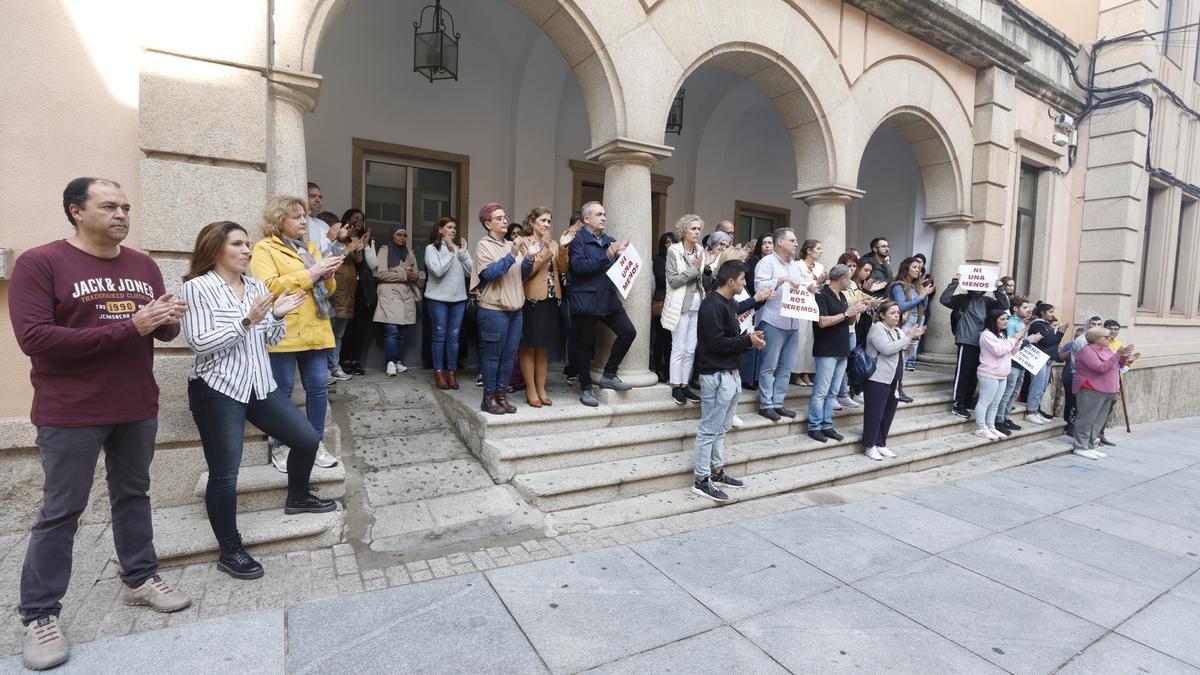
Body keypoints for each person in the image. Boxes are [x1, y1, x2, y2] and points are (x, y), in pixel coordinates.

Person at [9, 177, 193, 670]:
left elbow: (164, 330)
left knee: (133, 496)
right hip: (71, 411)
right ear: (75, 211)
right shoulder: (40, 263)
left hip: (136, 404)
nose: (121, 215)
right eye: (108, 206)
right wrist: (129, 327)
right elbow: (36, 338)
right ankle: (40, 614)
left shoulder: (142, 264)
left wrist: (168, 316)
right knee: (61, 511)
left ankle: (139, 577)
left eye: (125, 207)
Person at [181, 221, 336, 581]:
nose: (247, 250)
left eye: (248, 244)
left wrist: (276, 315)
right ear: (215, 248)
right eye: (238, 244)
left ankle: (297, 496)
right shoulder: (196, 289)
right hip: (217, 388)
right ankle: (230, 550)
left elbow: (269, 338)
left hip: (258, 384)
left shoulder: (255, 286)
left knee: (307, 438)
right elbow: (201, 343)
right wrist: (248, 319)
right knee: (225, 475)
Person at [251, 196, 342, 474]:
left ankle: (315, 444)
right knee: (283, 392)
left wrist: (327, 275)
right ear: (280, 221)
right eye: (296, 216)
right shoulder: (264, 248)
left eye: (304, 215)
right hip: (284, 330)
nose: (304, 220)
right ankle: (281, 446)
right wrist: (311, 273)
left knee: (317, 389)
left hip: (316, 327)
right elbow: (266, 287)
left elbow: (328, 291)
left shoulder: (311, 247)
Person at [691, 260, 765, 502]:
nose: (745, 283)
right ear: (731, 281)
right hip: (715, 375)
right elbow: (714, 343)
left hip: (731, 373)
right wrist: (747, 342)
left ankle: (716, 471)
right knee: (709, 429)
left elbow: (731, 338)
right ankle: (701, 480)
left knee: (721, 429)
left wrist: (749, 337)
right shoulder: (711, 305)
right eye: (743, 279)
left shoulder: (729, 302)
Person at [567, 201, 636, 407]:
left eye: (604, 214)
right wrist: (607, 255)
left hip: (607, 299)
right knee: (585, 347)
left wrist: (625, 259)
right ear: (586, 219)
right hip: (586, 300)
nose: (604, 218)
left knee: (628, 332)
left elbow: (616, 269)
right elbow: (578, 267)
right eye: (599, 214)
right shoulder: (576, 240)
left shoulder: (609, 240)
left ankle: (609, 374)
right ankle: (586, 387)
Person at [471, 202, 525, 415]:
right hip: (493, 309)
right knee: (493, 356)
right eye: (499, 218)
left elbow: (523, 274)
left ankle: (502, 397)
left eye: (505, 217)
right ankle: (489, 398)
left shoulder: (510, 245)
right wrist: (511, 256)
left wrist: (530, 258)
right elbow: (489, 274)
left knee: (509, 355)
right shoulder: (483, 245)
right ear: (487, 223)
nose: (505, 220)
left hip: (515, 309)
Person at [518, 207, 573, 407]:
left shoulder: (554, 243)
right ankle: (530, 390)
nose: (547, 225)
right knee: (528, 346)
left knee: (543, 348)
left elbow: (564, 268)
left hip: (551, 299)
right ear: (532, 222)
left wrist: (564, 248)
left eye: (549, 221)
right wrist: (545, 250)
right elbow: (528, 271)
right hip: (531, 300)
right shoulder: (523, 242)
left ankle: (541, 389)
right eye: (543, 220)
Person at [663, 215, 720, 405]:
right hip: (680, 305)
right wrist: (695, 270)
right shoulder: (674, 251)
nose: (697, 232)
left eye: (698, 229)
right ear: (683, 231)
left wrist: (706, 271)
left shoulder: (702, 251)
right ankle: (675, 387)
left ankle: (685, 385)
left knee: (690, 350)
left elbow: (705, 283)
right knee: (678, 348)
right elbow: (673, 280)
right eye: (693, 229)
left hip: (698, 305)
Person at [808, 265, 868, 443]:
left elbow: (846, 319)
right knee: (821, 391)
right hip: (826, 350)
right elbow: (822, 322)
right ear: (842, 278)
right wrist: (845, 313)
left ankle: (827, 425)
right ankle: (814, 426)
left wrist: (855, 311)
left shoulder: (841, 296)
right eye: (849, 277)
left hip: (842, 349)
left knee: (832, 392)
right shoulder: (822, 295)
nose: (850, 281)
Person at [754, 227, 810, 421]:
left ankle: (778, 403)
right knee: (769, 365)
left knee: (786, 367)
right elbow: (759, 288)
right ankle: (765, 404)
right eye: (792, 240)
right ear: (780, 242)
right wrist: (782, 279)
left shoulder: (794, 265)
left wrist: (810, 287)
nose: (796, 244)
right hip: (772, 319)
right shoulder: (766, 262)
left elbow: (800, 286)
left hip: (793, 322)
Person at [939, 271, 1010, 418]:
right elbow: (944, 299)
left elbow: (1004, 305)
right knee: (963, 374)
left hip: (982, 343)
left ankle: (969, 401)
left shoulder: (988, 302)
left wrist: (999, 288)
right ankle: (958, 404)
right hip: (966, 340)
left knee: (974, 375)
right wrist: (955, 282)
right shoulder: (961, 299)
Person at [862, 301, 925, 460]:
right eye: (892, 313)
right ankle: (870, 445)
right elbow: (886, 349)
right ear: (882, 315)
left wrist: (914, 340)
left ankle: (881, 444)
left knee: (888, 413)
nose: (896, 315)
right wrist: (908, 337)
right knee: (874, 413)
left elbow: (908, 353)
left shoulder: (898, 331)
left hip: (895, 379)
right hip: (877, 378)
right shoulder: (877, 328)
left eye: (898, 312)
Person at [1071, 327, 1136, 459]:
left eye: (1109, 337)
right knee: (1086, 419)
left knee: (1098, 421)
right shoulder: (1086, 351)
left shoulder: (1106, 349)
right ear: (1095, 338)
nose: (1109, 338)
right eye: (1105, 337)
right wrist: (1117, 355)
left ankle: (1089, 446)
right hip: (1091, 388)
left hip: (1108, 389)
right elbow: (1100, 368)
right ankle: (1080, 446)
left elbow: (1117, 365)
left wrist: (1124, 357)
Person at [424, 217, 471, 390]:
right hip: (438, 300)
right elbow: (436, 271)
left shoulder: (459, 249)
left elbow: (471, 272)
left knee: (454, 338)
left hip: (458, 299)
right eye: (449, 227)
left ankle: (452, 373)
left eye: (455, 228)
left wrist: (463, 254)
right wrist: (451, 253)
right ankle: (438, 372)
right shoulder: (431, 249)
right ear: (440, 230)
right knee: (439, 336)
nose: (453, 230)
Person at [324, 212, 367, 383]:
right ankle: (329, 368)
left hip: (348, 291)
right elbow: (337, 259)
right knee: (329, 332)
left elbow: (358, 260)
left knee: (339, 333)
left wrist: (359, 248)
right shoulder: (331, 244)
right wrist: (349, 247)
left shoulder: (348, 241)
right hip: (336, 290)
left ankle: (334, 366)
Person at [374, 225, 421, 376]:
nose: (402, 238)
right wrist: (403, 275)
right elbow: (380, 274)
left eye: (404, 235)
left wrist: (414, 275)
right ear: (393, 236)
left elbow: (415, 272)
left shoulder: (410, 253)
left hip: (407, 295)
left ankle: (398, 362)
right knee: (391, 331)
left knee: (403, 331)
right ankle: (390, 362)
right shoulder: (385, 250)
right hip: (390, 295)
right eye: (399, 235)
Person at [994, 296, 1043, 435]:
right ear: (1015, 309)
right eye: (1025, 307)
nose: (1028, 310)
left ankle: (1005, 417)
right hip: (1013, 362)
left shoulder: (1021, 322)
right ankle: (999, 420)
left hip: (1021, 362)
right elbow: (1011, 342)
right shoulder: (1011, 323)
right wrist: (1030, 340)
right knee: (1007, 392)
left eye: (1028, 307)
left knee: (1014, 392)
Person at [975, 309, 1027, 440]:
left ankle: (991, 426)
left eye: (1006, 319)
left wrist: (1018, 340)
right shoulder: (987, 335)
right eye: (1002, 319)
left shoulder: (1002, 335)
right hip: (989, 374)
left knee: (995, 403)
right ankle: (981, 428)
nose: (1006, 322)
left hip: (1002, 375)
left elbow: (1012, 351)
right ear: (994, 321)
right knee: (985, 402)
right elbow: (999, 351)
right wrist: (1014, 339)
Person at [337, 209, 376, 376]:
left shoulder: (368, 240)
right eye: (354, 219)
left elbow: (371, 264)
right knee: (346, 325)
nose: (358, 222)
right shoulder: (341, 237)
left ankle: (356, 360)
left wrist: (364, 246)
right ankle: (344, 360)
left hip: (362, 288)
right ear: (346, 219)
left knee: (360, 325)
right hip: (345, 286)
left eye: (361, 219)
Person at [890, 256, 934, 401]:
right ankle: (896, 389)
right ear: (906, 268)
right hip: (905, 323)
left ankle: (899, 387)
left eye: (919, 268)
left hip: (916, 323)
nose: (918, 270)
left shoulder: (917, 286)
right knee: (900, 358)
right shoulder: (899, 286)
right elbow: (900, 307)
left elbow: (923, 307)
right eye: (914, 267)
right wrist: (920, 297)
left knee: (907, 357)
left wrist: (924, 294)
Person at [833, 252, 872, 410]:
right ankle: (834, 396)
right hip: (841, 329)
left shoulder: (854, 284)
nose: (852, 269)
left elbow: (860, 297)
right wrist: (860, 302)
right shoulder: (840, 284)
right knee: (837, 365)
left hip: (852, 328)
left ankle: (843, 394)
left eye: (854, 266)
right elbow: (848, 303)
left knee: (847, 364)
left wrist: (870, 301)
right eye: (849, 266)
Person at [739, 234, 773, 391]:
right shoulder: (753, 261)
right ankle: (747, 377)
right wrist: (757, 298)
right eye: (764, 243)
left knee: (761, 341)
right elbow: (752, 284)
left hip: (769, 304)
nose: (767, 245)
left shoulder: (776, 262)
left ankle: (757, 377)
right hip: (754, 302)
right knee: (749, 338)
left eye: (770, 243)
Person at [1021, 301, 1064, 425]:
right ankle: (1030, 411)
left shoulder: (1045, 324)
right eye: (1050, 312)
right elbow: (1048, 341)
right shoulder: (1037, 325)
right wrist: (1060, 332)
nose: (1052, 314)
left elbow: (1053, 341)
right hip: (1038, 358)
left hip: (1046, 359)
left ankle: (1036, 410)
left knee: (1043, 387)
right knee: (1037, 385)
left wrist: (1056, 335)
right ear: (1042, 312)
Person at [791, 239, 826, 387]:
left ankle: (806, 371)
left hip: (814, 305)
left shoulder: (819, 266)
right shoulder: (797, 265)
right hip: (800, 306)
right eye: (818, 248)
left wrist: (822, 282)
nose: (821, 251)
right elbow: (795, 284)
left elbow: (820, 287)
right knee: (800, 339)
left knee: (810, 340)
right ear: (809, 250)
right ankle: (795, 372)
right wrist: (817, 282)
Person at [651, 231, 677, 383]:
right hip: (661, 303)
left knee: (671, 340)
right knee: (660, 338)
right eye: (667, 243)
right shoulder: (659, 259)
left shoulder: (680, 259)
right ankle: (658, 368)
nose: (670, 245)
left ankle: (669, 369)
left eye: (673, 242)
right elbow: (661, 279)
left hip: (676, 303)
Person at [305, 182, 344, 257]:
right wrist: (328, 239)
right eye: (313, 196)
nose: (318, 200)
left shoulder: (323, 224)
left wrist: (341, 239)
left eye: (320, 197)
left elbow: (334, 253)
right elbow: (309, 254)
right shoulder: (301, 222)